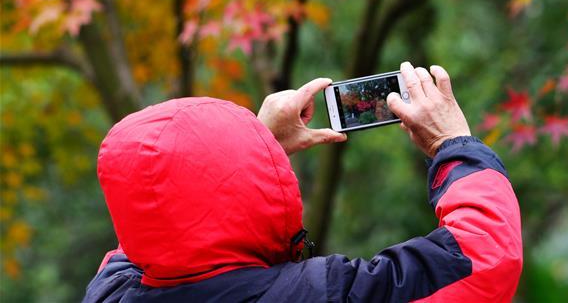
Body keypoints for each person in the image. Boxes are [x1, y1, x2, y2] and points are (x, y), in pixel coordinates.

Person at [82, 62, 523, 302]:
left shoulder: (110, 288)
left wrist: (249, 147)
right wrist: (452, 142)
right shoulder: (320, 294)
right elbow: (482, 257)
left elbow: (158, 211)